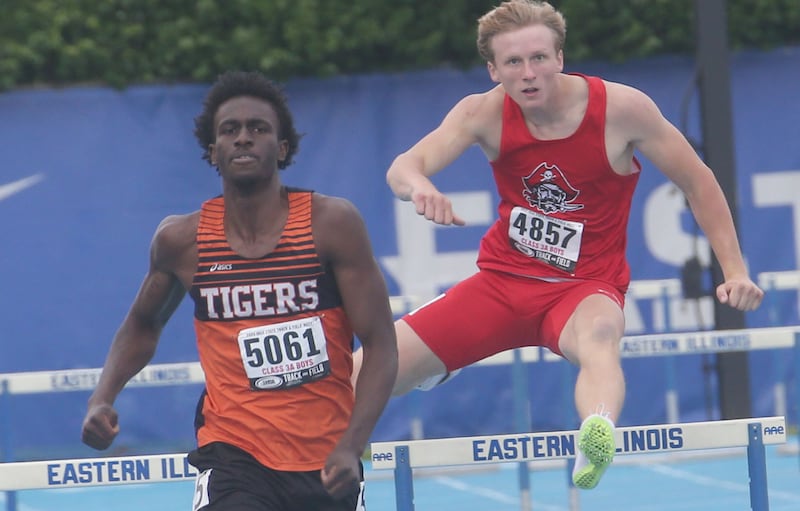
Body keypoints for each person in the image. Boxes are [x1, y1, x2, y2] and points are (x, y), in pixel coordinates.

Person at [351, 0, 763, 491]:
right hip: (501, 287)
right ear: (493, 70)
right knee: (360, 375)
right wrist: (419, 187)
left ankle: (597, 432)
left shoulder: (622, 110)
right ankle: (315, 478)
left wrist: (734, 270)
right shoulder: (481, 112)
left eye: (539, 58)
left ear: (560, 57)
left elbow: (699, 183)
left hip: (584, 289)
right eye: (513, 63)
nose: (529, 74)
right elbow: (404, 165)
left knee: (599, 341)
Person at [81, 70, 398, 510]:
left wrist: (353, 443)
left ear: (282, 148)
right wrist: (102, 398)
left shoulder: (332, 226)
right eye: (230, 130)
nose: (243, 138)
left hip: (326, 458)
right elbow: (142, 324)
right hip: (234, 454)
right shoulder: (181, 242)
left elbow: (381, 343)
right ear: (213, 152)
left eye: (258, 129)